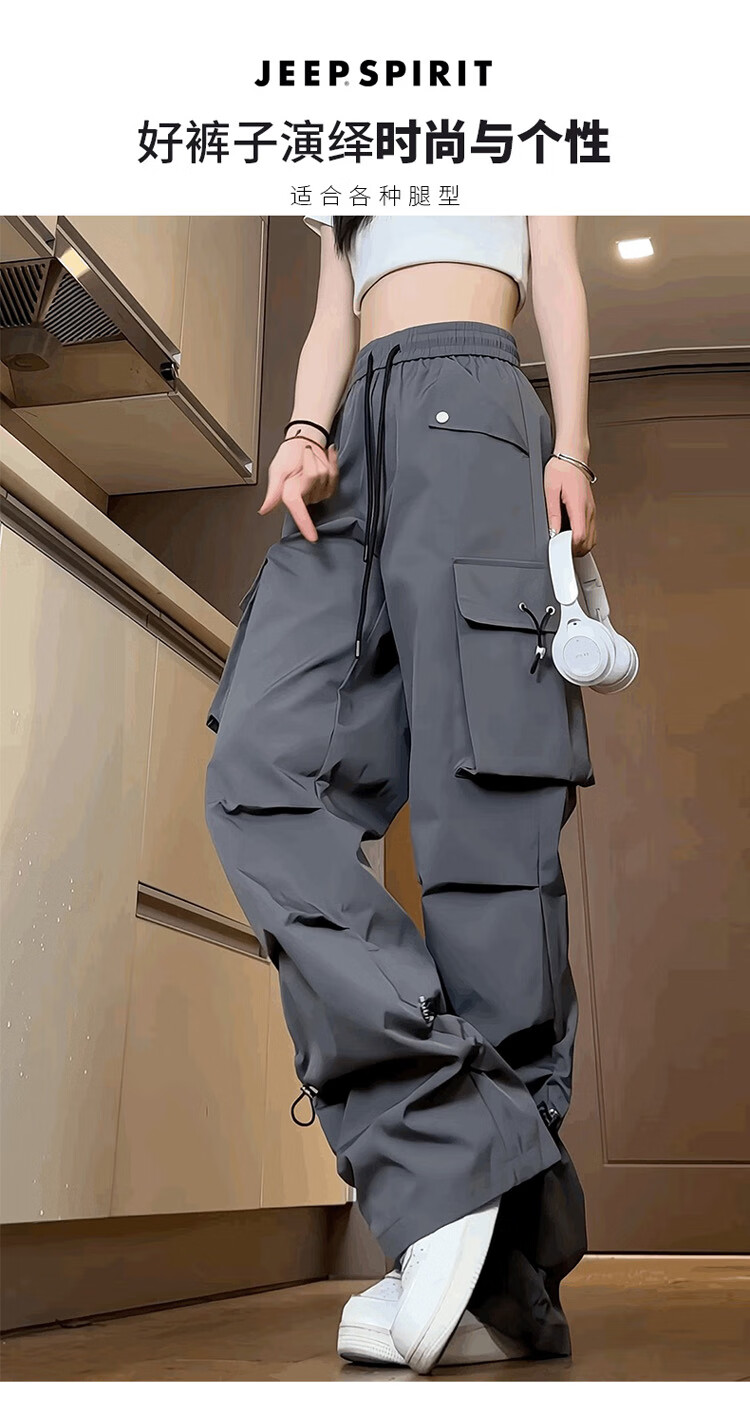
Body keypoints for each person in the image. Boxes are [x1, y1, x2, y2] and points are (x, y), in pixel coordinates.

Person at [204, 213, 597, 1375]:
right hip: (348, 445)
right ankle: (452, 1150)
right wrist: (303, 428)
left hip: (474, 404)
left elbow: (556, 267)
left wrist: (573, 446)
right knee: (260, 774)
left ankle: (503, 1279)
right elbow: (336, 303)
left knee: (487, 822)